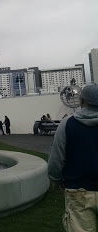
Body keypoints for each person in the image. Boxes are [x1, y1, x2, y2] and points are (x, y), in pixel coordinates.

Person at [48, 84, 98, 231]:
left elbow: (56, 160)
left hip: (78, 191)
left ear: (81, 101)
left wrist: (56, 180)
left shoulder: (67, 124)